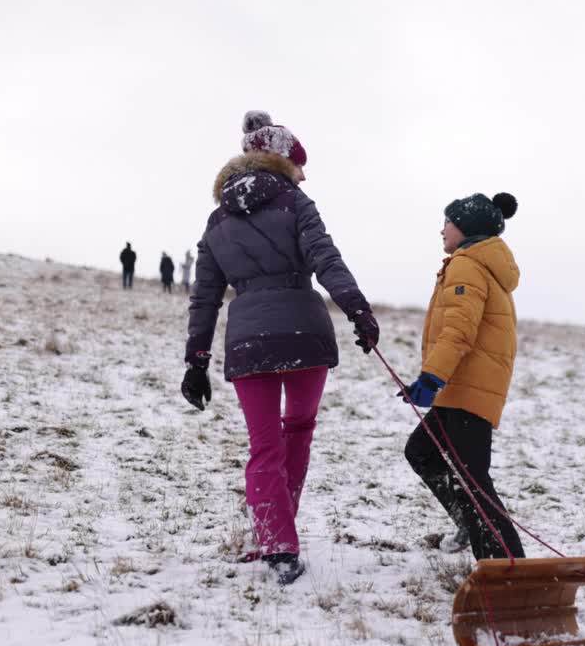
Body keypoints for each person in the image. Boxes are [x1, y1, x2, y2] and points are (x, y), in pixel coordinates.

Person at [180, 110, 380, 585]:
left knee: (263, 447)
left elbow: (205, 296)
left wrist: (196, 360)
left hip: (248, 340)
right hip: (306, 334)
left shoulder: (216, 221)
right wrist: (358, 310)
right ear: (281, 163)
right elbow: (326, 259)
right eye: (299, 163)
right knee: (300, 427)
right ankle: (281, 525)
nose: (304, 174)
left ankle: (276, 542)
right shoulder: (296, 202)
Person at [402, 191, 525, 560]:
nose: (442, 230)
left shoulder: (467, 265)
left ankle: (508, 568)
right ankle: (469, 525)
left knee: (474, 479)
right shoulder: (481, 264)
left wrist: (432, 378)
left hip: (465, 387)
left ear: (466, 227)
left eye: (448, 223)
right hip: (463, 387)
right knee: (422, 451)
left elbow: (458, 329)